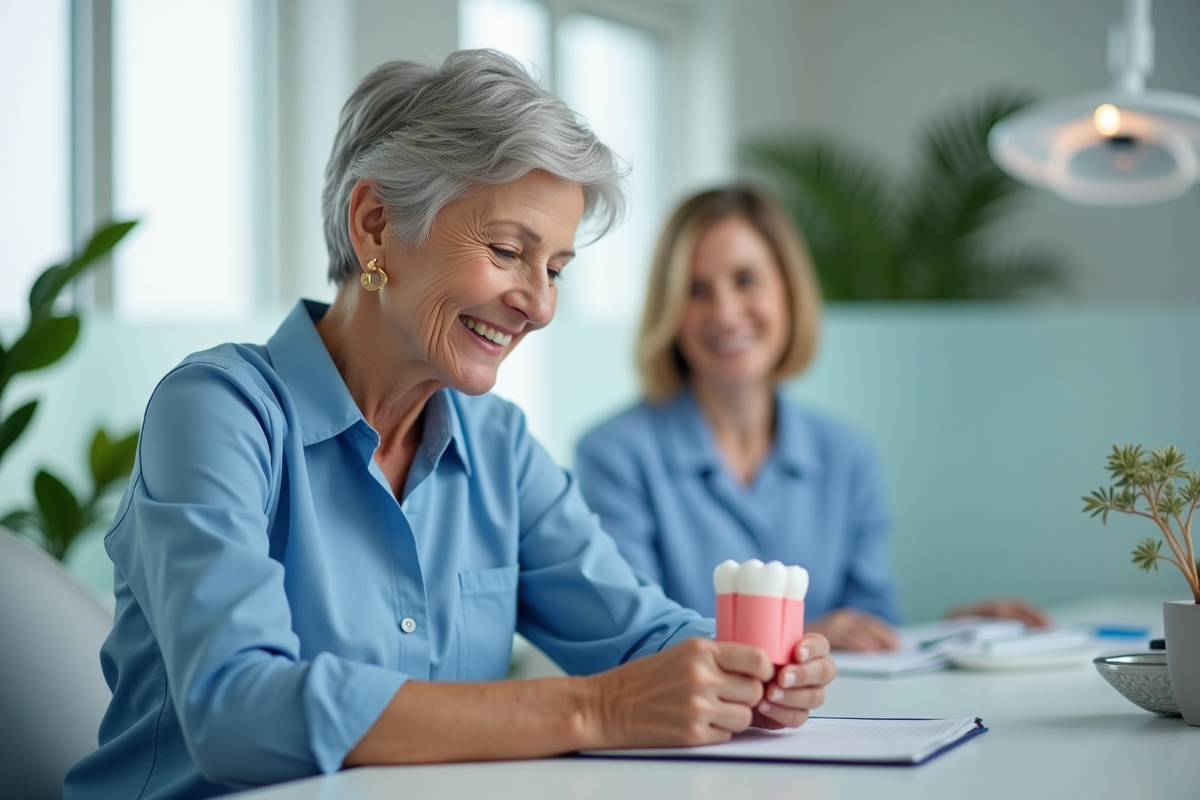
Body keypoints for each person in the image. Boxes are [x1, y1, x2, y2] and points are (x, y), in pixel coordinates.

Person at [64, 56, 835, 800]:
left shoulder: (499, 448)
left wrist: (754, 671)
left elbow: (638, 635)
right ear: (374, 225)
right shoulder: (218, 412)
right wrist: (596, 709)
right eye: (507, 251)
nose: (539, 304)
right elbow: (239, 708)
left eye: (555, 269)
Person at [575, 186, 1048, 653]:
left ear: (788, 290)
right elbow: (639, 635)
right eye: (696, 290)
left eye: (746, 280)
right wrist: (794, 636)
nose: (725, 312)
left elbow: (871, 626)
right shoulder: (614, 454)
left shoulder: (847, 453)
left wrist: (953, 635)